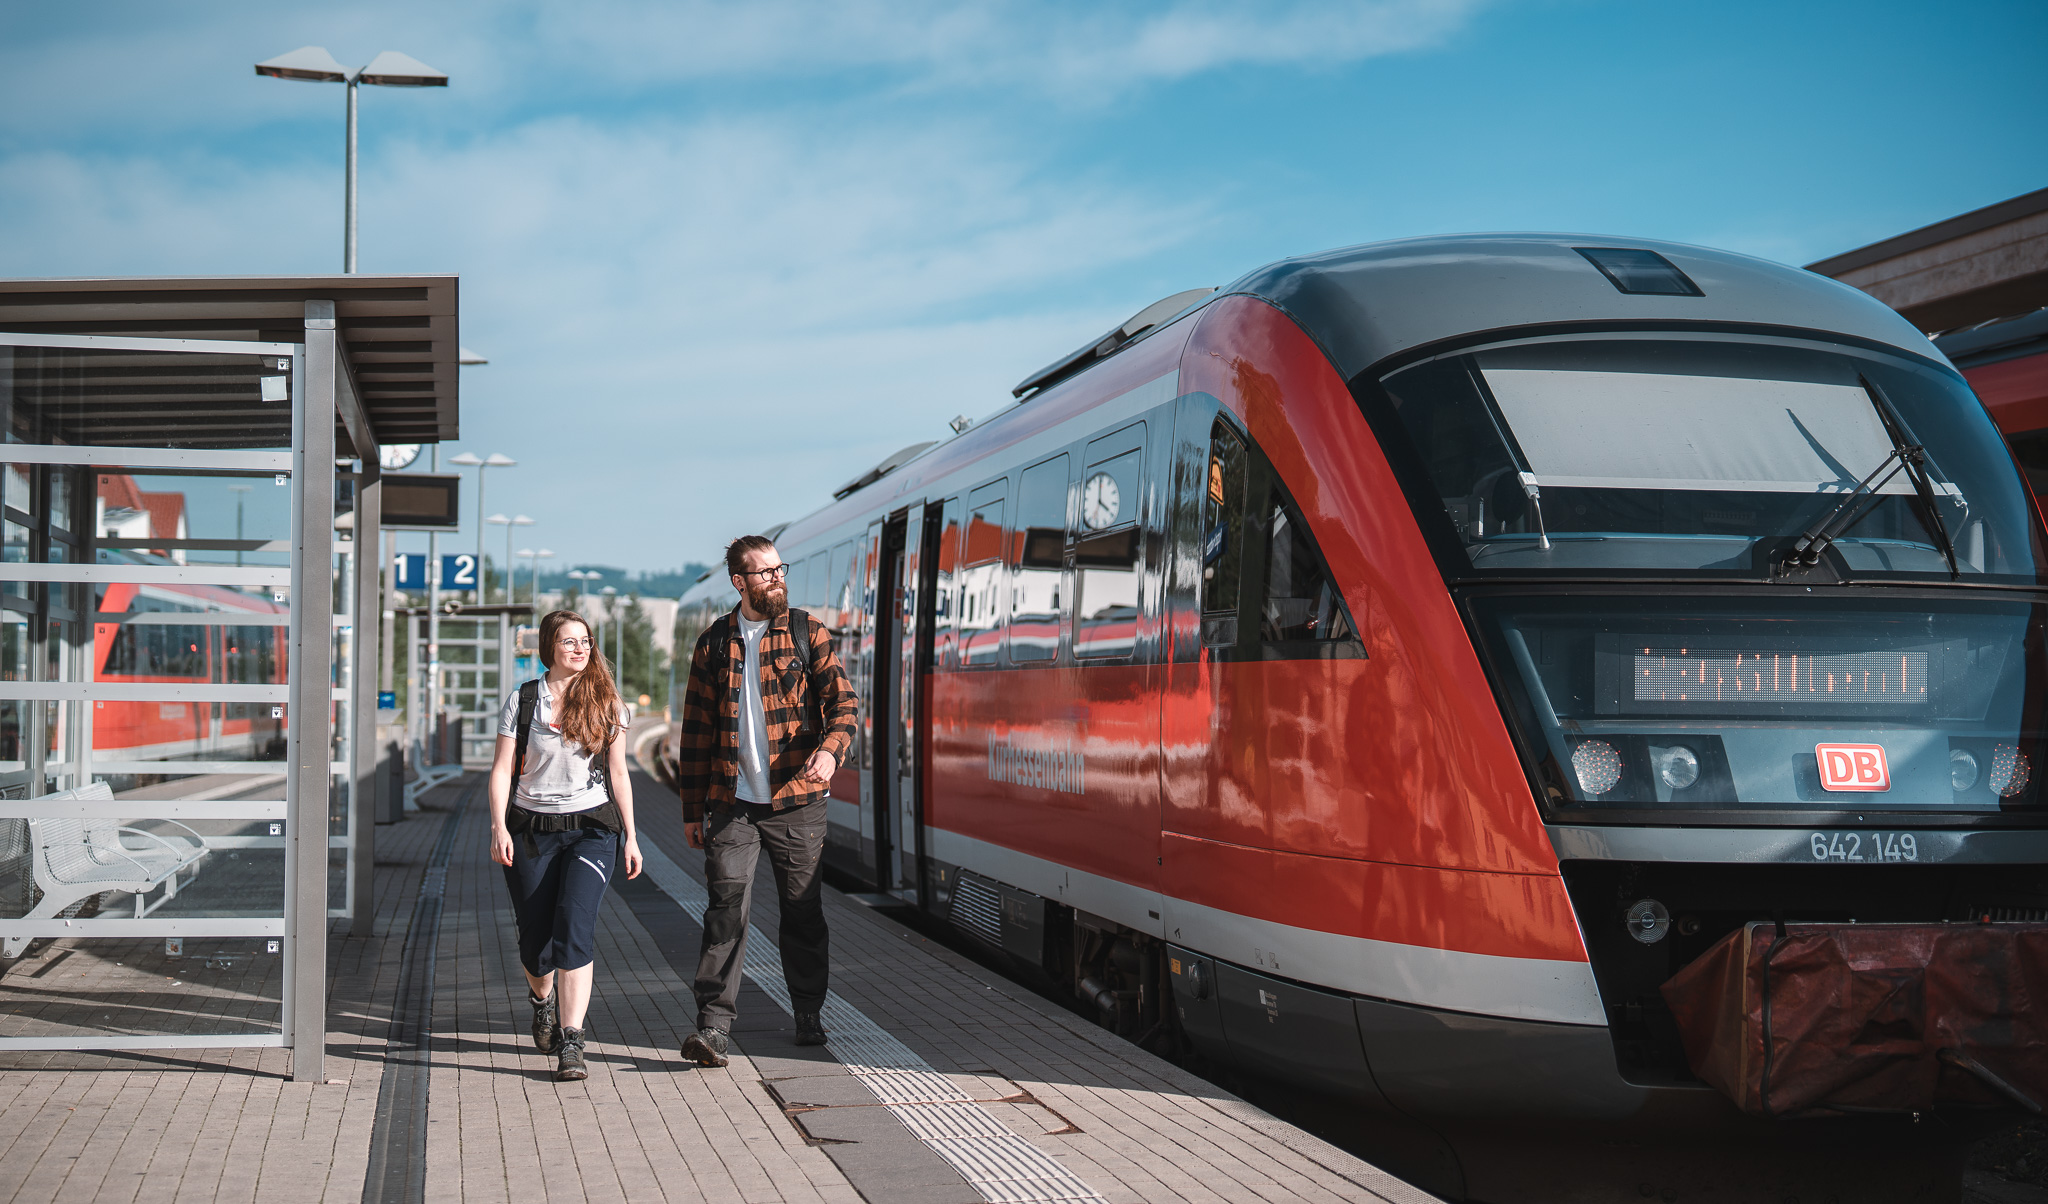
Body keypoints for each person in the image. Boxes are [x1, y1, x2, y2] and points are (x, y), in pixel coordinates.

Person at [675, 535, 856, 1066]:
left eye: (780, 569)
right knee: (725, 910)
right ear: (740, 581)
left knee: (802, 911)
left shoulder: (807, 632)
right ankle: (713, 1027)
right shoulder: (713, 645)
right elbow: (696, 735)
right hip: (733, 804)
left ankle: (807, 1012)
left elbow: (843, 703)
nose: (777, 578)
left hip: (799, 801)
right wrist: (691, 811)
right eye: (765, 573)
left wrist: (830, 752)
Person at [488, 609, 643, 1082]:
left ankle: (572, 1040)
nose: (580, 649)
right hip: (531, 829)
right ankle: (542, 1000)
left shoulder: (607, 703)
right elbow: (500, 770)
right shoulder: (524, 700)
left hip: (592, 831)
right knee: (536, 943)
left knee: (574, 928)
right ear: (548, 648)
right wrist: (499, 828)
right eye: (569, 641)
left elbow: (618, 773)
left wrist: (632, 836)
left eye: (586, 641)